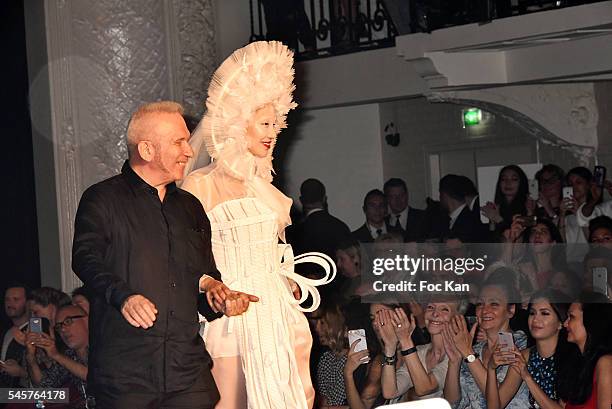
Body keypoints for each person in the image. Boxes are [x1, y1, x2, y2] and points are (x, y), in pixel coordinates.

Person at [181, 41, 335, 409]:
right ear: (238, 123)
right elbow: (187, 254)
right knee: (231, 397)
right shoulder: (200, 185)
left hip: (277, 310)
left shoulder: (267, 191)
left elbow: (279, 252)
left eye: (276, 125)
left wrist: (287, 280)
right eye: (264, 124)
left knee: (289, 393)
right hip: (232, 308)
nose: (272, 133)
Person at [72, 101, 256, 409]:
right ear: (146, 150)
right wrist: (124, 296)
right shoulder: (102, 199)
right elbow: (85, 258)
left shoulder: (190, 207)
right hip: (127, 375)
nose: (189, 151)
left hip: (187, 371)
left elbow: (202, 276)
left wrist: (218, 295)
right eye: (178, 142)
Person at [443, 276, 529, 409]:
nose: (485, 309)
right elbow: (452, 403)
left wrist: (468, 353)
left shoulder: (520, 345)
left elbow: (497, 403)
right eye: (480, 304)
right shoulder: (475, 350)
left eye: (494, 304)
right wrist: (454, 362)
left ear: (511, 310)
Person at [485, 289, 570, 409]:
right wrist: (491, 368)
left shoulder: (571, 357)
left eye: (544, 313)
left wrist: (527, 377)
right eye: (532, 313)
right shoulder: (525, 356)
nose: (535, 319)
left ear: (561, 323)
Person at [379, 298, 467, 402]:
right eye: (430, 307)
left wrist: (406, 340)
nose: (435, 314)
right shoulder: (419, 351)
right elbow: (390, 392)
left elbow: (424, 388)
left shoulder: (457, 356)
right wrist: (390, 347)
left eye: (444, 309)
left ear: (457, 318)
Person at [559, 291, 612, 409]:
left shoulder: (606, 363)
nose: (565, 324)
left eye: (571, 317)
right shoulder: (577, 362)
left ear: (591, 321)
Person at [0, 284, 29, 387]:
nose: (10, 303)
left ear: (28, 303)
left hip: (25, 398)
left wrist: (21, 373)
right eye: (7, 299)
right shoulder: (5, 332)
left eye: (16, 299)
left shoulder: (35, 332)